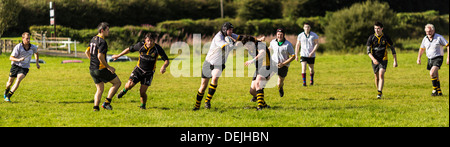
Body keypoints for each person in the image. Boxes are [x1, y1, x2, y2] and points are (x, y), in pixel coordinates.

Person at [192, 22, 242, 111]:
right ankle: (197, 105)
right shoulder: (218, 37)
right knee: (203, 86)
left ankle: (207, 101)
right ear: (224, 30)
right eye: (229, 30)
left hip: (219, 64)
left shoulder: (229, 35)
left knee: (214, 79)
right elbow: (225, 48)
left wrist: (256, 39)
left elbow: (241, 38)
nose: (231, 31)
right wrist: (234, 45)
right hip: (208, 63)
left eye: (232, 30)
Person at [112, 33, 170, 109]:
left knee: (142, 92)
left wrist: (163, 66)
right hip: (138, 70)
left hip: (149, 73)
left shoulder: (157, 48)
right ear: (145, 40)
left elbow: (166, 60)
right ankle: (124, 91)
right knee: (129, 85)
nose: (149, 42)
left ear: (154, 41)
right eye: (148, 40)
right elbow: (129, 49)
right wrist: (118, 55)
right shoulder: (140, 45)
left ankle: (143, 106)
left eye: (151, 41)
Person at [85, 22, 121, 111]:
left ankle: (95, 108)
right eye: (107, 30)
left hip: (92, 69)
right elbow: (100, 56)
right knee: (117, 83)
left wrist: (93, 61)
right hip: (100, 69)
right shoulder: (102, 42)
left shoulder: (93, 39)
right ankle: (107, 103)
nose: (108, 32)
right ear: (102, 30)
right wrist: (109, 67)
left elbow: (86, 52)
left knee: (100, 88)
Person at [4, 32, 40, 102]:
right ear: (23, 38)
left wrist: (37, 63)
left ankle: (8, 97)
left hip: (24, 68)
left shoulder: (33, 47)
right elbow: (11, 58)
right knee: (9, 83)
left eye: (29, 38)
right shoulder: (18, 47)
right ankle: (6, 90)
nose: (28, 40)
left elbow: (36, 53)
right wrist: (19, 59)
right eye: (27, 39)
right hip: (15, 66)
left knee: (18, 79)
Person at [242, 35, 276, 110]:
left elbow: (262, 53)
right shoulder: (253, 42)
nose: (247, 48)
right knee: (252, 91)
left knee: (258, 83)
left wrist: (252, 60)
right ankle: (264, 105)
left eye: (248, 46)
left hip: (267, 66)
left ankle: (260, 106)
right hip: (258, 68)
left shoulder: (260, 45)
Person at [366, 21, 398, 99]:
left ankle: (379, 93)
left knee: (381, 74)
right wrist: (373, 59)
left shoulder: (386, 37)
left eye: (378, 28)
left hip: (384, 59)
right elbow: (368, 52)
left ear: (382, 28)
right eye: (375, 28)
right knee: (376, 77)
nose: (376, 30)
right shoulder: (371, 38)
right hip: (375, 59)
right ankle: (379, 90)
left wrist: (395, 61)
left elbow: (393, 49)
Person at [417, 24, 449, 96]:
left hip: (438, 58)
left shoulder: (439, 37)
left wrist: (448, 57)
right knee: (435, 75)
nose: (428, 33)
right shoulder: (425, 38)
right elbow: (422, 49)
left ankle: (434, 90)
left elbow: (448, 45)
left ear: (433, 30)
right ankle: (439, 91)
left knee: (432, 73)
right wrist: (419, 58)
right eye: (427, 32)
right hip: (430, 59)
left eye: (430, 31)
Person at [270, 28, 295, 97]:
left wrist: (283, 64)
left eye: (281, 34)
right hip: (274, 64)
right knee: (266, 78)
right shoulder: (273, 42)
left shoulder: (288, 44)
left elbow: (293, 56)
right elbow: (270, 49)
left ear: (284, 35)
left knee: (279, 83)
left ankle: (280, 88)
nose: (279, 36)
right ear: (276, 35)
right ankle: (257, 94)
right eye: (278, 34)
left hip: (283, 66)